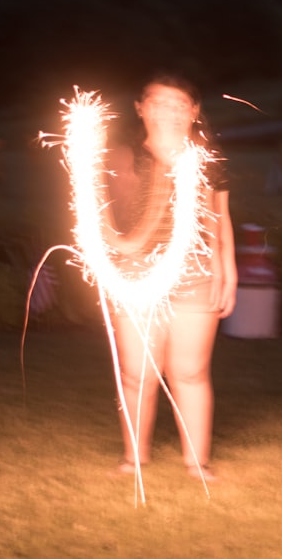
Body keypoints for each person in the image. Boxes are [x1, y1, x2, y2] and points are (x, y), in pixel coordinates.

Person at [105, 74, 237, 481]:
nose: (170, 111)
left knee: (190, 371)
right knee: (136, 372)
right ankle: (133, 460)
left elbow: (220, 220)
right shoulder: (121, 158)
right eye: (159, 103)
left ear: (195, 111)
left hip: (194, 276)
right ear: (140, 108)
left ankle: (198, 463)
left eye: (180, 104)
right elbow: (102, 219)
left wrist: (228, 272)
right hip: (136, 276)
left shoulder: (207, 159)